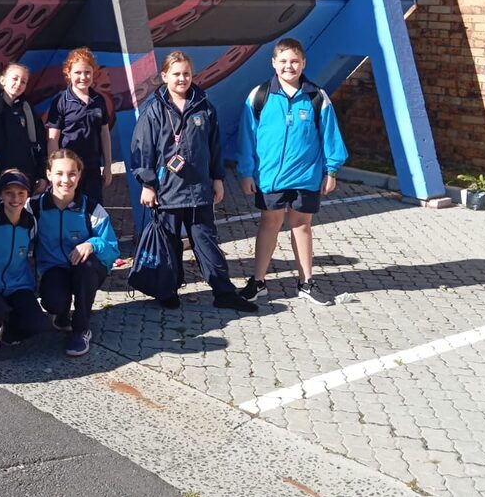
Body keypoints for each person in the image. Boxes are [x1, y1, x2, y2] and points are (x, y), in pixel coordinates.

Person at [130, 52, 257, 312]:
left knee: (206, 241)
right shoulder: (153, 111)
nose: (182, 79)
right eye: (176, 74)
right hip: (166, 192)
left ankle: (223, 292)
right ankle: (168, 290)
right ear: (164, 76)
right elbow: (142, 150)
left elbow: (214, 146)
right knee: (170, 243)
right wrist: (147, 184)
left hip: (199, 190)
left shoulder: (204, 106)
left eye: (186, 73)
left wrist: (217, 178)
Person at [236, 38, 349, 306]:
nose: (289, 66)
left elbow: (330, 136)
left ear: (304, 63)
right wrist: (246, 172)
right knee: (269, 224)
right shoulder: (259, 95)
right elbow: (246, 138)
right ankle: (258, 282)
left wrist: (331, 171)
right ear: (273, 63)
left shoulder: (316, 97)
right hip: (269, 177)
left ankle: (306, 283)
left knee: (301, 226)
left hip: (306, 177)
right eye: (283, 61)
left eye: (295, 61)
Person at [30, 149, 120, 357]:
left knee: (86, 267)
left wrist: (92, 244)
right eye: (59, 173)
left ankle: (81, 329)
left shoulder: (91, 208)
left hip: (86, 271)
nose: (65, 180)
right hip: (54, 269)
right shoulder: (34, 208)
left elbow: (112, 248)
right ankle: (61, 314)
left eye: (72, 174)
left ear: (79, 176)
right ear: (48, 174)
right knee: (53, 301)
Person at [0, 169, 49, 351]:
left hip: (18, 284)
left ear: (27, 195)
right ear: (0, 194)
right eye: (9, 193)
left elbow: (31, 253)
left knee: (37, 323)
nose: (15, 198)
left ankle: (10, 332)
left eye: (21, 193)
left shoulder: (31, 223)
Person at [0, 62, 47, 204]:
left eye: (23, 81)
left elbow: (40, 145)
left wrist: (42, 175)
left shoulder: (28, 111)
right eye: (15, 78)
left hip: (25, 181)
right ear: (2, 80)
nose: (18, 83)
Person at [46, 47, 112, 205]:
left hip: (92, 168)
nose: (83, 77)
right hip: (68, 171)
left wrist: (108, 166)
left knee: (93, 210)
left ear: (94, 73)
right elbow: (52, 139)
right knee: (70, 208)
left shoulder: (99, 100)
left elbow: (104, 134)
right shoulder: (61, 101)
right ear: (68, 73)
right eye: (77, 72)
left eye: (87, 72)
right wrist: (55, 169)